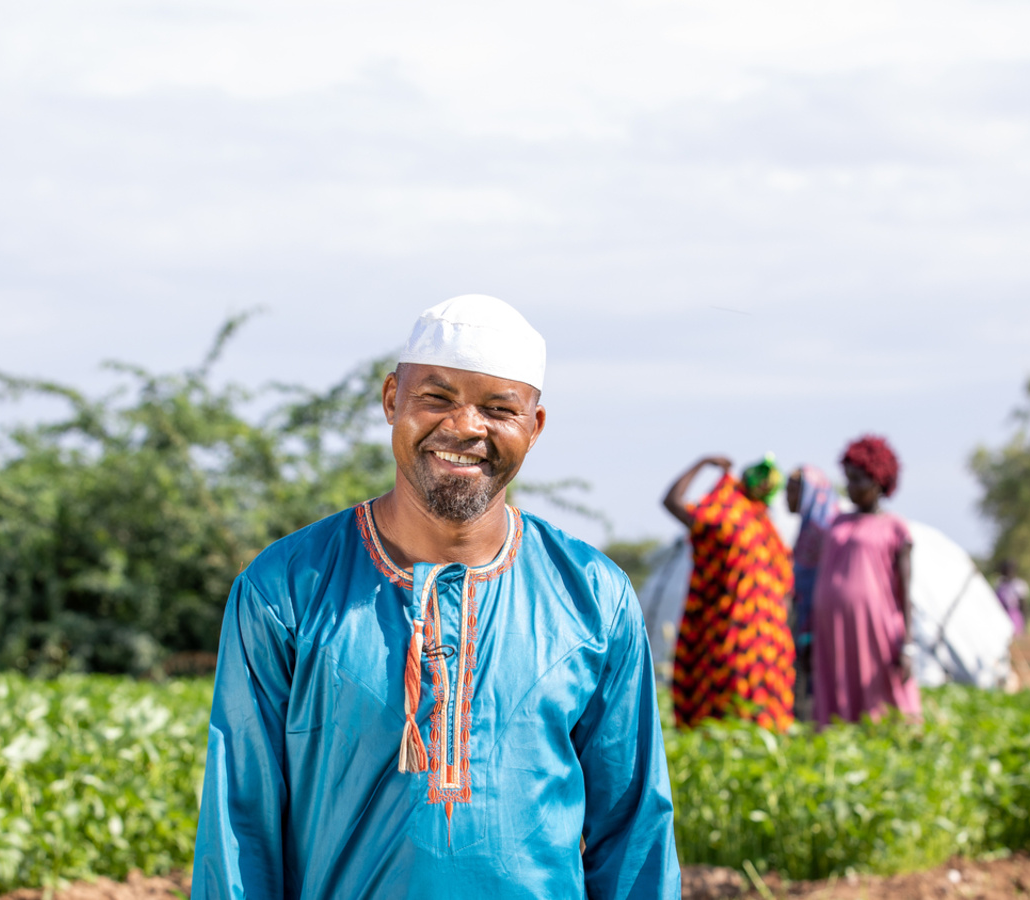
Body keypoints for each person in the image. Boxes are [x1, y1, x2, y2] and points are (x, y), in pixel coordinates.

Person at [193, 295, 679, 899]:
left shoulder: (593, 596)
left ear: (535, 427)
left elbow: (634, 834)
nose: (466, 427)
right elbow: (240, 826)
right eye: (437, 398)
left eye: (499, 408)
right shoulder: (285, 589)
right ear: (392, 398)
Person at [661, 453, 795, 732]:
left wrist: (701, 463)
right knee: (746, 719)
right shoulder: (748, 526)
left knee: (730, 717)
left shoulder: (742, 523)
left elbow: (672, 502)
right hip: (755, 644)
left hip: (745, 642)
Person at [812, 435, 921, 728]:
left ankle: (895, 733)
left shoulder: (894, 527)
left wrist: (907, 642)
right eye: (848, 479)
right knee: (837, 680)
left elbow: (905, 587)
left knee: (879, 686)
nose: (851, 488)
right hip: (833, 626)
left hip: (875, 624)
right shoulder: (837, 522)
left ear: (879, 481)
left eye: (858, 480)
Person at [785, 465, 839, 696]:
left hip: (817, 624)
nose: (787, 498)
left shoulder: (820, 530)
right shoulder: (809, 526)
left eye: (793, 491)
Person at [992, 559, 1029, 636]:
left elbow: (1023, 606)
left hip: (1014, 617)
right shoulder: (999, 583)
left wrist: (1025, 626)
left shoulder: (1019, 585)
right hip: (1000, 616)